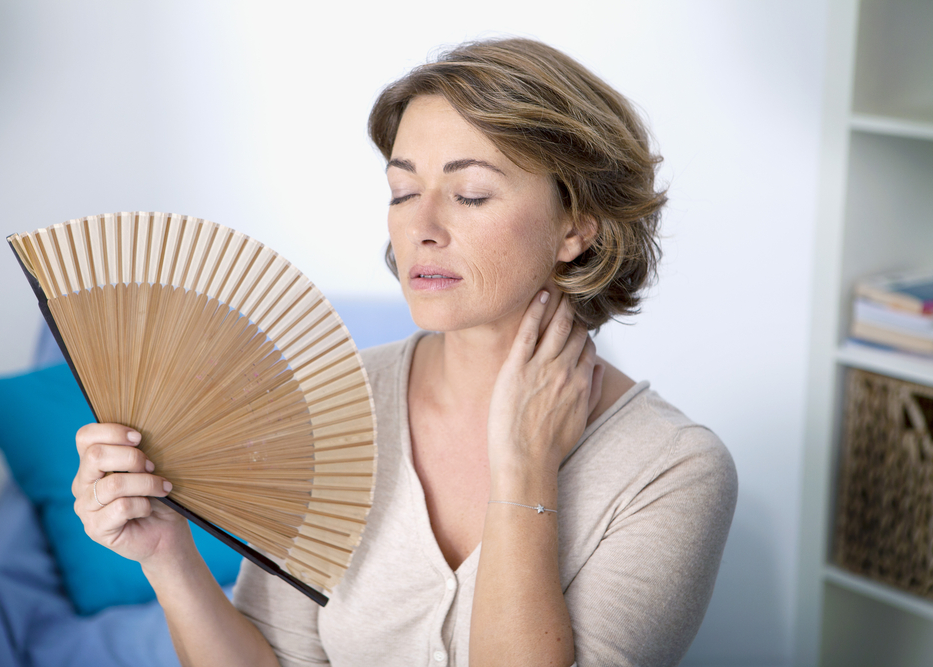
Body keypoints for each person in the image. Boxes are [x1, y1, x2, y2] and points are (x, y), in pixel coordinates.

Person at [72, 38, 737, 667]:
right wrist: (167, 557)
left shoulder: (674, 469)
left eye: (470, 193)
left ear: (576, 227)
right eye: (403, 191)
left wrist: (526, 471)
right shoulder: (335, 404)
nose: (421, 228)